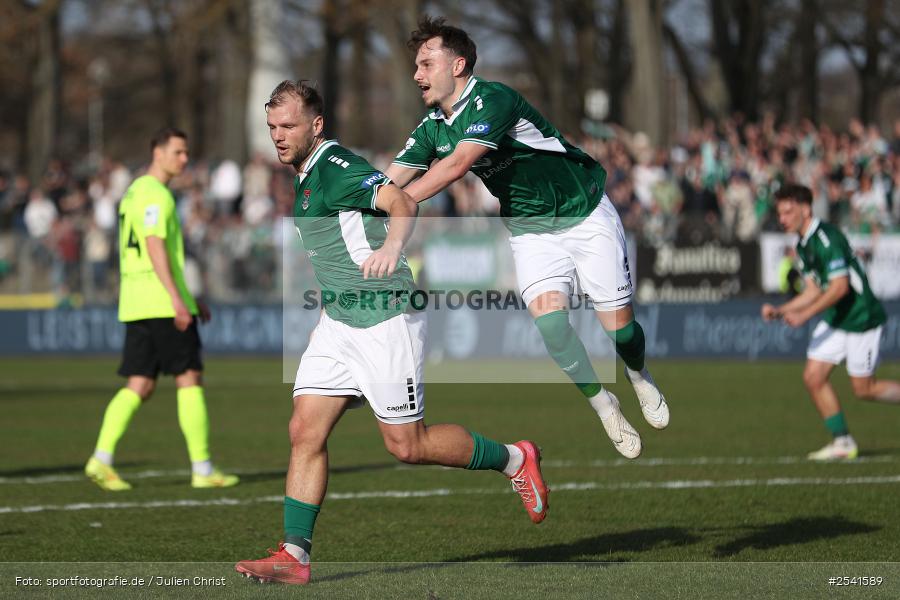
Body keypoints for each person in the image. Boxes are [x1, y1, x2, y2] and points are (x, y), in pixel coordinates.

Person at [234, 81, 549, 585]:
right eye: (273, 127)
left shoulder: (338, 168)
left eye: (289, 125)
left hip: (385, 317)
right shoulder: (305, 174)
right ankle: (294, 557)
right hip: (340, 321)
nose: (279, 135)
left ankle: (514, 457)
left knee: (407, 446)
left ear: (316, 125)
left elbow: (401, 202)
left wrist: (392, 246)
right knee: (304, 430)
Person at [384, 16, 668, 459]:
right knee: (552, 327)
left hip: (584, 213)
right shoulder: (431, 127)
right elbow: (389, 180)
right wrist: (351, 201)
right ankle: (604, 405)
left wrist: (402, 203)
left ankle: (639, 374)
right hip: (531, 230)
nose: (417, 74)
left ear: (458, 65)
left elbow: (458, 165)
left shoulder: (492, 99)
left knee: (622, 332)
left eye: (426, 64)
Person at [84, 128, 238, 490]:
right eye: (178, 152)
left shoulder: (134, 192)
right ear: (157, 152)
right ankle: (202, 469)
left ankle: (100, 459)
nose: (184, 159)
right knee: (189, 378)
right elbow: (155, 246)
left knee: (140, 383)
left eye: (186, 153)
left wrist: (188, 296)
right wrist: (175, 298)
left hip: (137, 301)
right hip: (160, 303)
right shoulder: (156, 196)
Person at [761, 184, 900, 460]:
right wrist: (782, 310)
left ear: (805, 209)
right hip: (838, 319)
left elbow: (839, 288)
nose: (783, 219)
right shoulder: (803, 243)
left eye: (788, 212)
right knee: (813, 377)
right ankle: (843, 442)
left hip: (861, 318)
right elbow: (813, 289)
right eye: (780, 213)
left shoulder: (826, 238)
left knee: (864, 389)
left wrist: (804, 314)